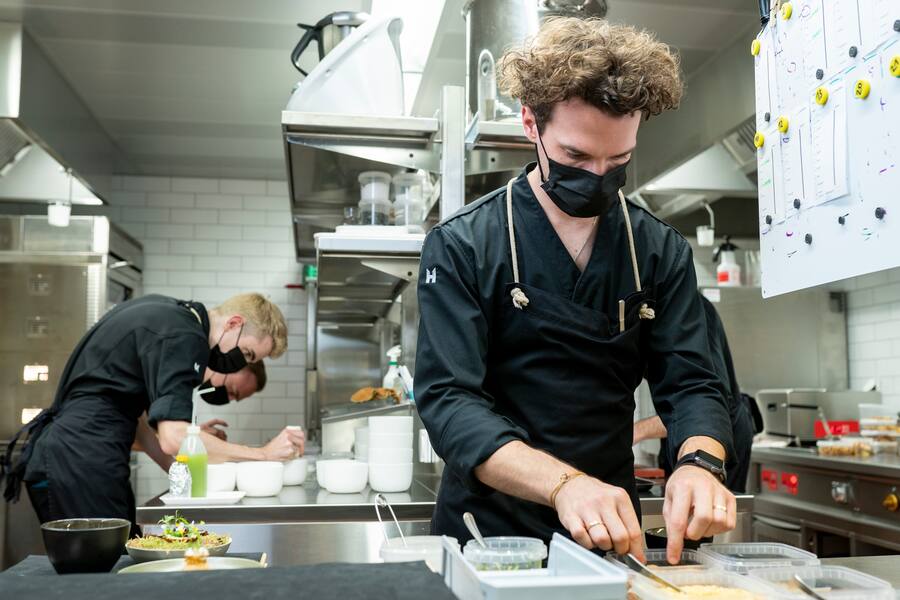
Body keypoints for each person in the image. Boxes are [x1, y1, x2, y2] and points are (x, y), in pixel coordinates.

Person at [414, 17, 736, 564]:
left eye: (619, 162)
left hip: (607, 532)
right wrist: (564, 485)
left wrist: (700, 464)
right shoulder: (464, 244)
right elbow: (450, 401)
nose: (598, 177)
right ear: (529, 125)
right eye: (575, 158)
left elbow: (695, 386)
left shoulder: (659, 251)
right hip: (487, 531)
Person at [1, 293, 304, 536]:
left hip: (79, 458)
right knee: (96, 580)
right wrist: (263, 455)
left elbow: (137, 422)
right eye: (248, 354)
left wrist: (180, 472)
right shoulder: (184, 336)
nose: (240, 363)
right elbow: (174, 438)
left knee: (113, 564)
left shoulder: (172, 317)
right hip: (79, 460)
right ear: (234, 323)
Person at [633, 294, 760, 493]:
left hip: (720, 436)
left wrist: (637, 430)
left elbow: (708, 404)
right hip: (678, 434)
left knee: (708, 510)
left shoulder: (690, 310)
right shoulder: (639, 315)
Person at [133, 360, 268, 477]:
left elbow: (145, 436)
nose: (229, 398)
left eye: (234, 398)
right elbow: (136, 434)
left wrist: (193, 435)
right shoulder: (172, 374)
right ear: (229, 364)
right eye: (232, 391)